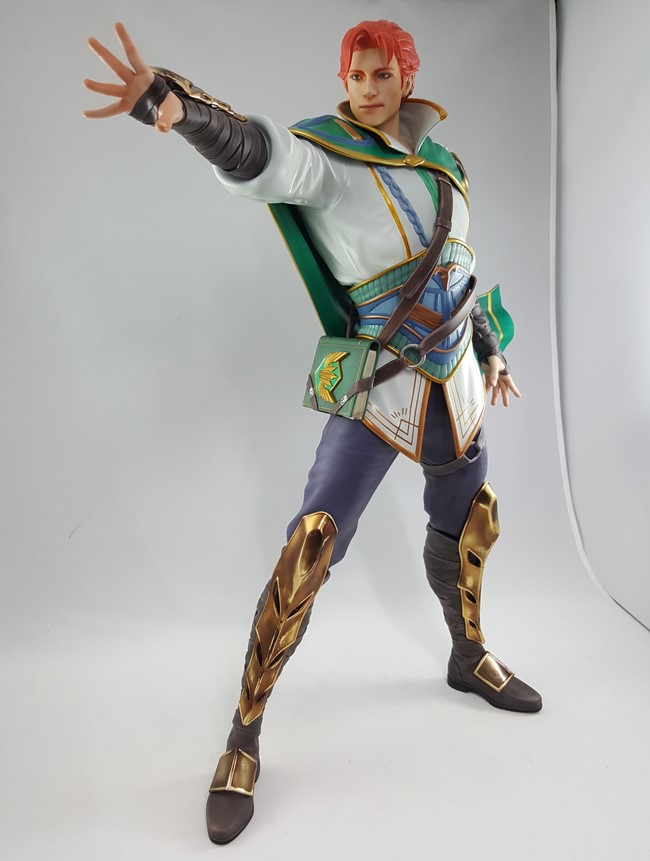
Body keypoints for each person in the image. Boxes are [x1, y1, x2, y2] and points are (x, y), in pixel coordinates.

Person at [84, 19, 542, 845]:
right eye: (354, 75)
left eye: (380, 74)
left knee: (469, 519)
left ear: (407, 78)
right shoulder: (327, 161)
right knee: (313, 541)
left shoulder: (447, 164)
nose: (365, 88)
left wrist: (491, 350)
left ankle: (466, 651)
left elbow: (461, 271)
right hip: (382, 382)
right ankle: (244, 733)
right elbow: (258, 153)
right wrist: (178, 110)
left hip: (459, 381)